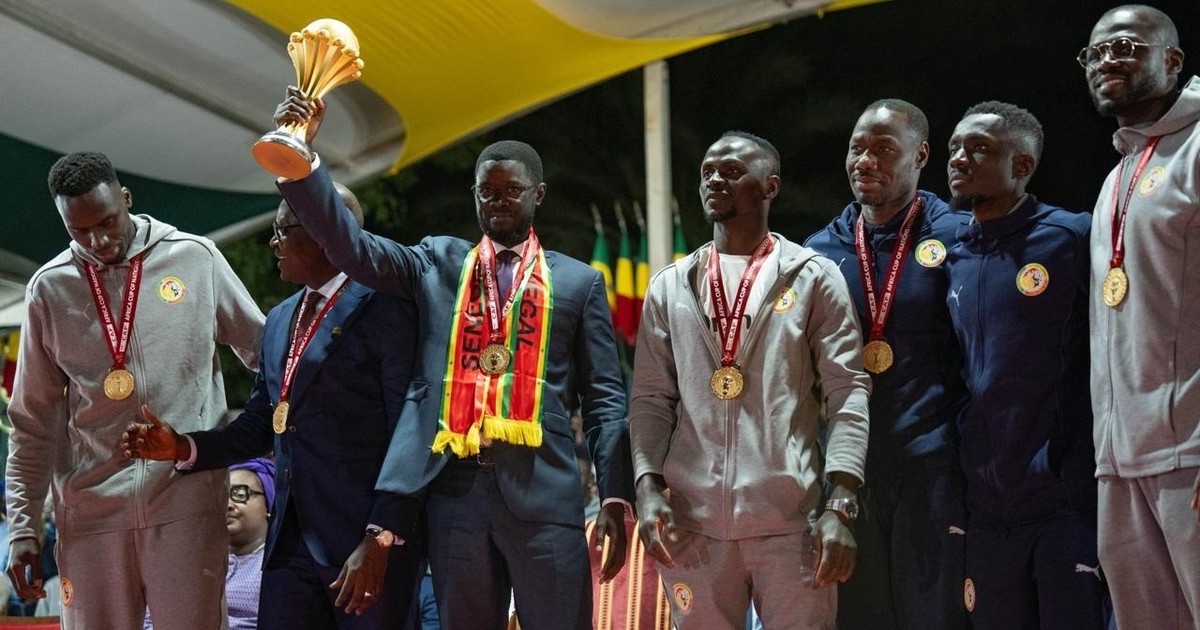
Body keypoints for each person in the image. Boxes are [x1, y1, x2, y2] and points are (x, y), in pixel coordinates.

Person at [269, 89, 632, 630]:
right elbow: (352, 248)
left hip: (545, 494)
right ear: (474, 195)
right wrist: (302, 163)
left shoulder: (579, 282)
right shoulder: (437, 263)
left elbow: (604, 399)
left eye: (512, 191)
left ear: (539, 195)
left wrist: (616, 496)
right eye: (487, 191)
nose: (498, 201)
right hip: (454, 497)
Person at [123, 185, 425, 629]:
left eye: (284, 230)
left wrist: (382, 536)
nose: (273, 241)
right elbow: (260, 424)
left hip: (363, 537)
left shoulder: (385, 304)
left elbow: (410, 428)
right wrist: (183, 446)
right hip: (289, 540)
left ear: (326, 233)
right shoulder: (282, 317)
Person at [4, 151, 264, 629]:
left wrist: (243, 440)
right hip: (92, 513)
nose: (98, 241)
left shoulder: (194, 258)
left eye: (107, 222)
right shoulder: (50, 289)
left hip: (185, 504)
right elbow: (31, 422)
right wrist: (23, 528)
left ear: (125, 198)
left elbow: (268, 355)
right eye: (79, 231)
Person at [630, 131, 871, 629]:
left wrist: (842, 501)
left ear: (770, 186)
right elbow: (651, 400)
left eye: (733, 172)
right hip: (693, 526)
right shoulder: (671, 286)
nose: (715, 180)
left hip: (790, 525)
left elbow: (847, 391)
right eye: (707, 172)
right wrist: (647, 487)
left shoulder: (813, 277)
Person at [804, 99, 970, 630]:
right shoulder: (819, 253)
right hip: (849, 476)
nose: (865, 161)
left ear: (920, 155)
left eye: (883, 149)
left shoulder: (959, 238)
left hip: (934, 470)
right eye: (857, 148)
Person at [943, 102, 1104, 629]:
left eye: (979, 149)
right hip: (987, 508)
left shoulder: (1071, 237)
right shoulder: (954, 256)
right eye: (954, 148)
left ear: (1023, 165)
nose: (959, 158)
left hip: (1065, 502)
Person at [1080, 5, 1200, 628]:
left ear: (1172, 60)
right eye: (1095, 53)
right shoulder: (1119, 173)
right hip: (1122, 462)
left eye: (1124, 46)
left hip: (1191, 452)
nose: (1106, 61)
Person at [145, 457, 276, 630]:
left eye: (239, 494)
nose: (228, 505)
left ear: (268, 503)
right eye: (222, 497)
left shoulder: (281, 564)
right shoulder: (194, 560)